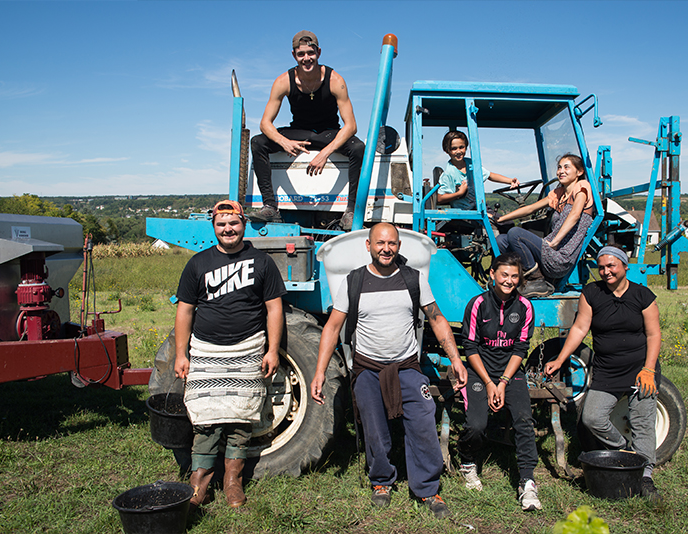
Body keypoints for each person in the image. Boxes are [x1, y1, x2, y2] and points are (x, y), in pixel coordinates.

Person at [309, 222, 468, 518]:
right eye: (380, 243)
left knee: (422, 422)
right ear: (368, 246)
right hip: (367, 368)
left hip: (407, 367)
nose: (386, 248)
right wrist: (319, 372)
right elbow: (332, 327)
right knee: (374, 428)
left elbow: (436, 318)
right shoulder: (354, 281)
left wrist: (456, 359)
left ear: (399, 246)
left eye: (392, 243)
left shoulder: (413, 279)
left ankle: (428, 488)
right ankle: (381, 481)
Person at [174, 200, 286, 509]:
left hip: (248, 347)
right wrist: (181, 354)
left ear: (243, 225)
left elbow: (274, 308)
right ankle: (200, 484)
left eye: (233, 223)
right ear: (214, 227)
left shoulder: (262, 262)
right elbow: (185, 310)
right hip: (206, 350)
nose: (228, 229)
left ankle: (232, 481)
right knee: (205, 420)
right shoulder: (198, 264)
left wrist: (272, 350)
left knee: (241, 418)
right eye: (222, 224)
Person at [544, 246, 662, 502]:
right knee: (592, 417)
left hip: (640, 369)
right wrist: (560, 358)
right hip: (608, 369)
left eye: (612, 266)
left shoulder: (643, 296)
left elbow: (654, 334)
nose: (606, 271)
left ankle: (646, 476)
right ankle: (624, 452)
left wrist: (649, 370)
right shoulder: (591, 293)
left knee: (643, 422)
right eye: (602, 267)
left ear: (624, 266)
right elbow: (579, 328)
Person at [250, 30, 365, 231]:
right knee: (258, 142)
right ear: (294, 55)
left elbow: (351, 126)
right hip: (299, 132)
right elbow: (265, 123)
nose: (306, 58)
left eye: (310, 53)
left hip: (328, 133)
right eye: (301, 54)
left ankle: (351, 210)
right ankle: (270, 206)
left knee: (358, 147)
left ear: (318, 52)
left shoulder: (335, 80)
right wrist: (284, 142)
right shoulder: (283, 82)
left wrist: (325, 153)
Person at [458, 253, 542, 511]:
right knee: (476, 425)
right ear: (493, 274)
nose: (509, 280)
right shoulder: (478, 304)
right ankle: (467, 461)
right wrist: (489, 382)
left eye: (514, 276)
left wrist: (503, 382)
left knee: (524, 421)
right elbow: (470, 347)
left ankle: (527, 481)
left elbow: (520, 348)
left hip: (510, 373)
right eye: (504, 274)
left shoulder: (525, 306)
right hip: (479, 371)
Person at [495, 153, 596, 298]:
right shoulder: (558, 193)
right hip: (549, 251)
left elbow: (575, 214)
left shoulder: (582, 186)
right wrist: (501, 219)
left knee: (515, 233)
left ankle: (536, 280)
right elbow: (530, 209)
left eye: (566, 167)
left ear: (579, 172)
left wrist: (554, 242)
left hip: (560, 258)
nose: (561, 171)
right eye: (559, 167)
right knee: (501, 240)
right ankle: (522, 276)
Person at [436, 130, 518, 210]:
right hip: (464, 213)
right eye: (454, 148)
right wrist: (459, 193)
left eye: (461, 147)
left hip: (479, 207)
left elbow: (490, 175)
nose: (458, 151)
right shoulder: (448, 173)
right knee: (501, 222)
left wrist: (510, 181)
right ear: (447, 150)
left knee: (507, 222)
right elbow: (440, 198)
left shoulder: (471, 164)